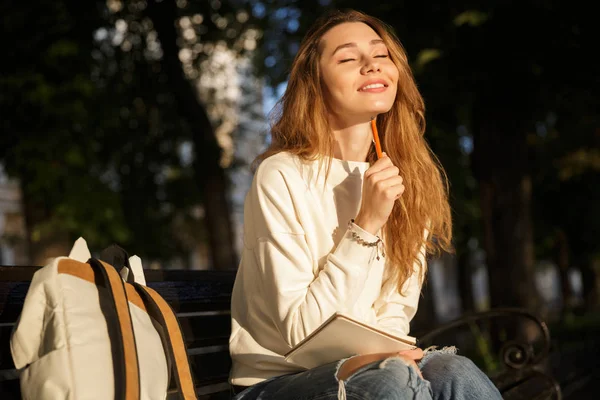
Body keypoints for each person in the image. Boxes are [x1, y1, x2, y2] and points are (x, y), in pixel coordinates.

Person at [228, 8, 502, 400]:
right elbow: (302, 334)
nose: (372, 65)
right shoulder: (282, 174)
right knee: (392, 379)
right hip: (278, 383)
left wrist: (387, 353)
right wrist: (366, 225)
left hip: (373, 368)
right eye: (347, 58)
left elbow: (392, 315)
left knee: (455, 370)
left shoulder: (405, 178)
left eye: (381, 54)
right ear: (316, 83)